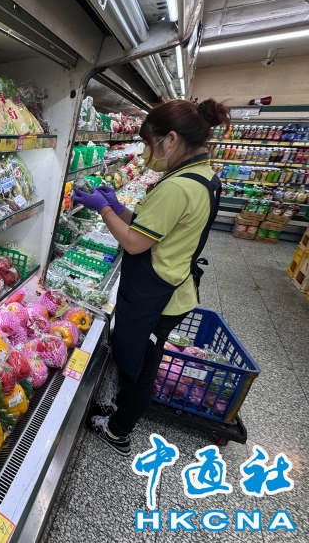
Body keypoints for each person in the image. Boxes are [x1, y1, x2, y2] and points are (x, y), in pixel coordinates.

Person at [72, 98, 229, 456]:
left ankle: (118, 432)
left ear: (171, 139)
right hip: (172, 285)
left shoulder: (177, 186)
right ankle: (121, 407)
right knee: (137, 357)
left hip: (158, 295)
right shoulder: (203, 176)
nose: (147, 150)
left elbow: (134, 242)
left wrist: (104, 209)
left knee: (140, 367)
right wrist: (119, 208)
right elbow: (154, 227)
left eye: (149, 142)